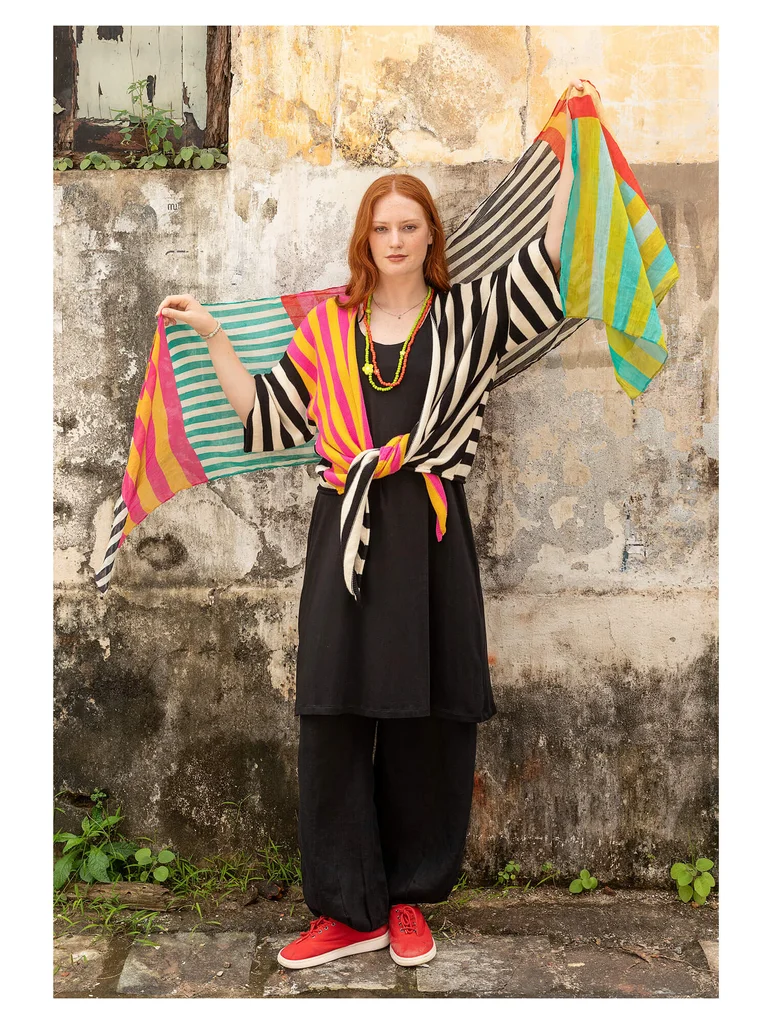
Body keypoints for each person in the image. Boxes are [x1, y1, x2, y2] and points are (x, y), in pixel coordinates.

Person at [154, 78, 582, 972]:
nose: (395, 241)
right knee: (336, 716)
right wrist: (212, 340)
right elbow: (269, 420)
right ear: (366, 240)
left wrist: (575, 154)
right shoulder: (327, 331)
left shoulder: (468, 317)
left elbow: (548, 266)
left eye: (410, 227)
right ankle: (347, 911)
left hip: (428, 533)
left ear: (431, 237)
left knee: (429, 720)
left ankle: (407, 900)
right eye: (381, 229)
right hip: (344, 531)